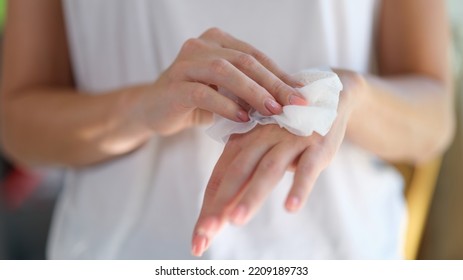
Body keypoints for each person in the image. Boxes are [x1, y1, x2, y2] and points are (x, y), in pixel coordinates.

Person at [1, 0, 454, 259]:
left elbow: (433, 118)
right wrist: (140, 107)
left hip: (337, 252)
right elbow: (17, 124)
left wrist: (348, 97)